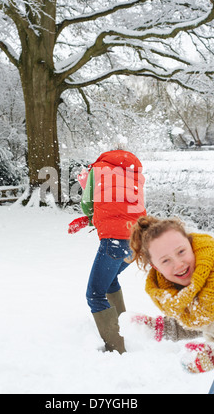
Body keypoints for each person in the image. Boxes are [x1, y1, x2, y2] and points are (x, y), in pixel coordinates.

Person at [128, 215, 214, 394]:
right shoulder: (184, 290)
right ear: (156, 267)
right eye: (166, 260)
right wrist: (162, 327)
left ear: (191, 245)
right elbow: (204, 319)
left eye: (181, 252)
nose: (179, 264)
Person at [68, 149, 146, 354]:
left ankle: (116, 348)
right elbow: (124, 208)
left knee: (94, 294)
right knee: (110, 281)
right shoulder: (134, 173)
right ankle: (123, 328)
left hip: (115, 241)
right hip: (138, 239)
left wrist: (86, 187)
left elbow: (88, 206)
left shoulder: (98, 168)